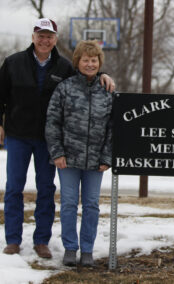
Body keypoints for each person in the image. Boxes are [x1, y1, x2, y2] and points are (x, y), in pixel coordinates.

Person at [0, 18, 115, 258]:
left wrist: (104, 74)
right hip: (18, 134)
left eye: (49, 36)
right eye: (40, 35)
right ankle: (13, 239)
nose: (44, 40)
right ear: (33, 37)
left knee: (45, 188)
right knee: (13, 188)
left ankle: (41, 240)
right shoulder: (13, 63)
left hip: (47, 140)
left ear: (55, 39)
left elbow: (87, 72)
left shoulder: (63, 67)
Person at [45, 40, 113, 267]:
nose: (90, 64)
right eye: (86, 60)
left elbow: (113, 127)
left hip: (96, 162)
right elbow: (52, 122)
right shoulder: (64, 88)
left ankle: (87, 250)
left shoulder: (107, 91)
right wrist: (57, 152)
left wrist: (106, 157)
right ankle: (70, 248)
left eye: (94, 60)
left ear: (99, 63)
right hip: (68, 159)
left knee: (92, 204)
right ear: (78, 62)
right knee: (68, 204)